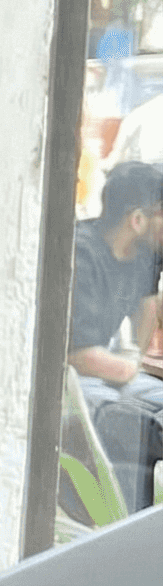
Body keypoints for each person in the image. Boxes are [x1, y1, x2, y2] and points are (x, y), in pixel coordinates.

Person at [68, 159, 163, 509]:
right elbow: (78, 356)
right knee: (131, 423)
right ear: (137, 220)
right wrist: (128, 364)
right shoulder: (82, 253)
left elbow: (148, 307)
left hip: (113, 366)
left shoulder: (146, 253)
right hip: (77, 377)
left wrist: (136, 355)